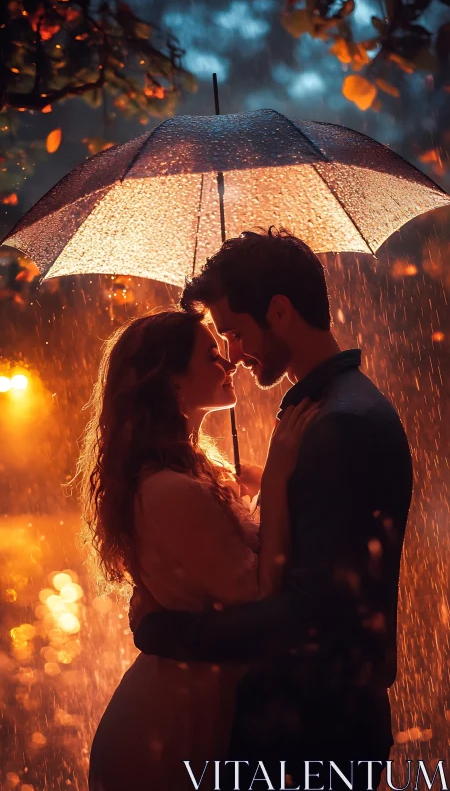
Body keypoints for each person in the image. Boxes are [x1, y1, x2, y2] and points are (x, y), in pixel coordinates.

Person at [131, 228, 414, 791]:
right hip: (313, 725)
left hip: (311, 734)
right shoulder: (332, 410)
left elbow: (307, 616)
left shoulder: (338, 425)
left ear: (280, 312)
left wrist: (166, 633)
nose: (233, 353)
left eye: (235, 332)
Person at [82, 308, 319, 791]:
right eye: (212, 354)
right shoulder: (171, 489)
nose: (230, 361)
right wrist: (280, 478)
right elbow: (258, 591)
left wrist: (250, 491)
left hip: (197, 703)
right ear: (172, 383)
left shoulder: (193, 471)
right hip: (170, 730)